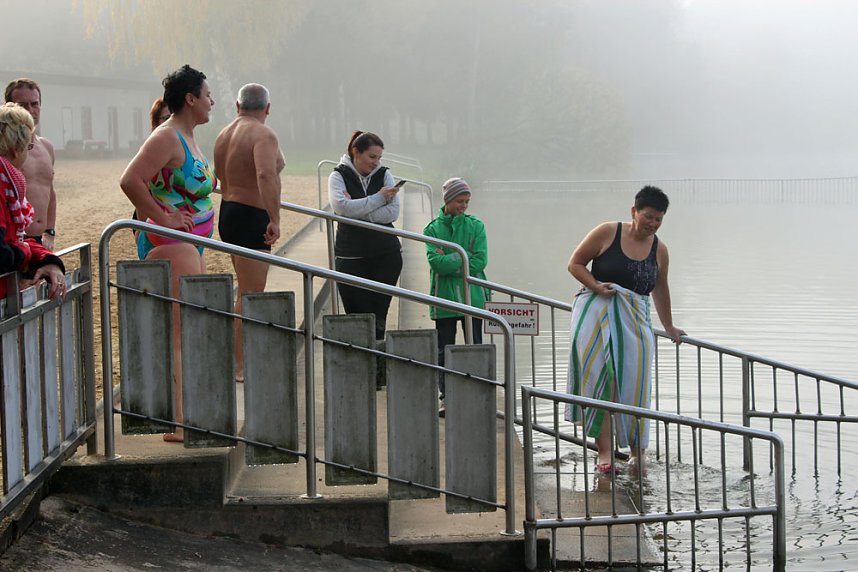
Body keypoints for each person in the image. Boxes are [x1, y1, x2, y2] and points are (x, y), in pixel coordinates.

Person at [119, 65, 216, 442]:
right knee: (181, 333)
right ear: (190, 99)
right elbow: (130, 179)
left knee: (191, 329)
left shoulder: (187, 136)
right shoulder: (167, 136)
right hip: (174, 247)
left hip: (192, 245)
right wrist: (163, 217)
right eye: (207, 95)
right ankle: (179, 422)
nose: (212, 102)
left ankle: (187, 416)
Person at [564, 186, 685, 475]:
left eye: (658, 219)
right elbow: (575, 263)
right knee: (599, 381)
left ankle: (636, 453)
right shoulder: (608, 232)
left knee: (635, 384)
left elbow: (660, 288)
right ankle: (604, 453)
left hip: (635, 321)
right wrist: (594, 285)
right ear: (634, 212)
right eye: (647, 217)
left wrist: (669, 326)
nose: (652, 224)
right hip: (596, 314)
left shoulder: (660, 250)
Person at [213, 83, 284, 382]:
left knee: (245, 289)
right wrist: (274, 218)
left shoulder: (224, 134)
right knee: (251, 293)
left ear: (237, 106)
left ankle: (239, 359)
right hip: (250, 214)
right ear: (267, 108)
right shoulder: (263, 134)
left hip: (229, 213)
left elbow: (221, 175)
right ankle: (239, 364)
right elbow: (266, 174)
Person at [423, 178, 489, 416]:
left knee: (476, 347)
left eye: (467, 201)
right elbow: (435, 263)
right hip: (444, 299)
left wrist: (449, 257)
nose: (464, 206)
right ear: (448, 200)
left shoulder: (476, 226)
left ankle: (476, 395)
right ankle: (446, 397)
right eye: (460, 201)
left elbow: (481, 260)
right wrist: (463, 259)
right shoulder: (432, 229)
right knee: (444, 350)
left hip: (474, 299)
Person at [328, 131, 402, 340]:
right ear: (355, 152)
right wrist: (379, 198)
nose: (376, 162)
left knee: (379, 318)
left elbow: (393, 212)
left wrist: (357, 210)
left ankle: (378, 364)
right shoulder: (337, 176)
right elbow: (342, 208)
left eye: (379, 158)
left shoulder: (385, 174)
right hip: (351, 257)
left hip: (386, 255)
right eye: (372, 157)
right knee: (356, 318)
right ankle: (359, 365)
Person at [0, 103, 65, 299]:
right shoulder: (4, 185)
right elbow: (4, 251)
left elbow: (16, 240)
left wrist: (49, 260)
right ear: (16, 149)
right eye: (28, 147)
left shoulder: (8, 181)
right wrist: (26, 253)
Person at [4, 78, 56, 250]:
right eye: (22, 105)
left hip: (40, 238)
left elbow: (50, 190)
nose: (30, 110)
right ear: (9, 107)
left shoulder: (46, 147)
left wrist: (49, 231)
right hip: (13, 239)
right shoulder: (6, 150)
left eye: (35, 104)